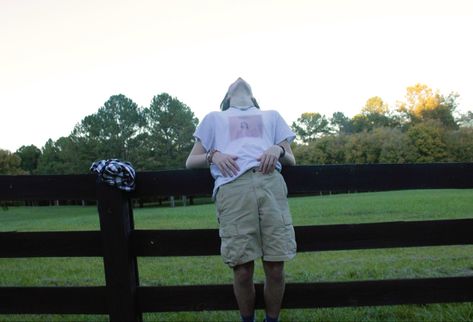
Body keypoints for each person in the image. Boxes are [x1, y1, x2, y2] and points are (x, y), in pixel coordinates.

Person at [186, 78, 297, 322]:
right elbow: (190, 161)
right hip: (233, 188)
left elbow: (291, 158)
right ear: (226, 98)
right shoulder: (214, 118)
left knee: (276, 267)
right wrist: (212, 156)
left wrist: (277, 149)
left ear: (254, 97)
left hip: (270, 185)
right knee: (243, 269)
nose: (238, 79)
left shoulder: (272, 115)